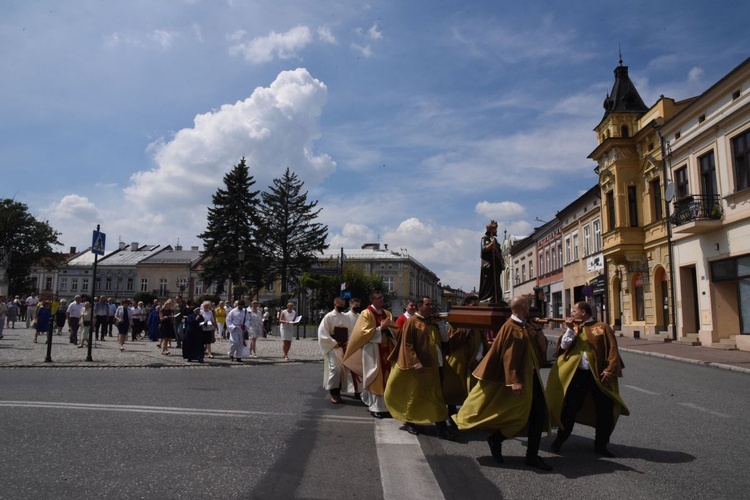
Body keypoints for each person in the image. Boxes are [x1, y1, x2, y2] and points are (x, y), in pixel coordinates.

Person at [453, 296, 552, 471]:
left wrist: (538, 330)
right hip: (520, 380)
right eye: (528, 305)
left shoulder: (523, 327)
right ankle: (497, 439)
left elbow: (537, 349)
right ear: (522, 307)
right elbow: (510, 356)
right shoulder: (512, 328)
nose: (530, 308)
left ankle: (531, 456)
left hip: (531, 377)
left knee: (538, 415)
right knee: (519, 415)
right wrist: (514, 381)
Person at [546, 301, 629, 458]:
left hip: (598, 374)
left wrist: (610, 370)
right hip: (578, 375)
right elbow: (564, 347)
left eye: (574, 311)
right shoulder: (575, 328)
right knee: (570, 408)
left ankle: (601, 445)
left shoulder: (602, 327)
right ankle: (560, 440)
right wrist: (569, 330)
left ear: (583, 312)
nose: (572, 314)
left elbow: (612, 350)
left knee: (605, 410)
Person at [385, 296, 456, 439]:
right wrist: (415, 362)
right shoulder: (411, 322)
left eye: (430, 304)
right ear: (419, 307)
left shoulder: (432, 322)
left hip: (437, 365)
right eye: (427, 304)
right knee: (416, 395)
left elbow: (445, 339)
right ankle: (411, 421)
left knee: (437, 396)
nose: (431, 307)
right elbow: (407, 344)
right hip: (421, 367)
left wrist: (441, 324)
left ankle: (441, 427)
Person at [342, 292, 396, 419]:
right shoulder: (366, 313)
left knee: (387, 378)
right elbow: (362, 333)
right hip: (372, 350)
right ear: (372, 299)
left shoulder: (387, 313)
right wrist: (380, 328)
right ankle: (375, 407)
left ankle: (387, 407)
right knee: (374, 376)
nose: (381, 300)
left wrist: (388, 329)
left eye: (382, 298)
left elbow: (394, 328)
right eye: (379, 298)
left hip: (386, 349)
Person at [442, 294, 486, 418]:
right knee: (455, 385)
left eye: (477, 304)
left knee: (472, 387)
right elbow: (452, 338)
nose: (476, 306)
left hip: (473, 357)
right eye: (474, 304)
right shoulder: (458, 317)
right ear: (466, 304)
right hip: (458, 357)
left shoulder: (480, 318)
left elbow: (482, 338)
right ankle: (451, 411)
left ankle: (469, 412)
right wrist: (466, 329)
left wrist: (479, 355)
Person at [318, 297, 356, 404]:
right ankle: (333, 394)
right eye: (340, 304)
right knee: (335, 370)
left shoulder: (345, 317)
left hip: (343, 346)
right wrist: (333, 343)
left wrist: (348, 342)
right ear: (335, 304)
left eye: (343, 304)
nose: (342, 306)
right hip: (333, 347)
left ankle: (338, 393)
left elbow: (350, 331)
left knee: (342, 371)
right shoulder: (329, 316)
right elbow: (322, 332)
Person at [478, 220, 504, 304]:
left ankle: (497, 298)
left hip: (495, 266)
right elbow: (484, 249)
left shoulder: (495, 241)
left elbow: (499, 253)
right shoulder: (485, 239)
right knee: (488, 283)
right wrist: (491, 244)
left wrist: (501, 262)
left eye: (496, 228)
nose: (496, 230)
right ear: (490, 230)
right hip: (488, 265)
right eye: (494, 228)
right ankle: (487, 298)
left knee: (496, 283)